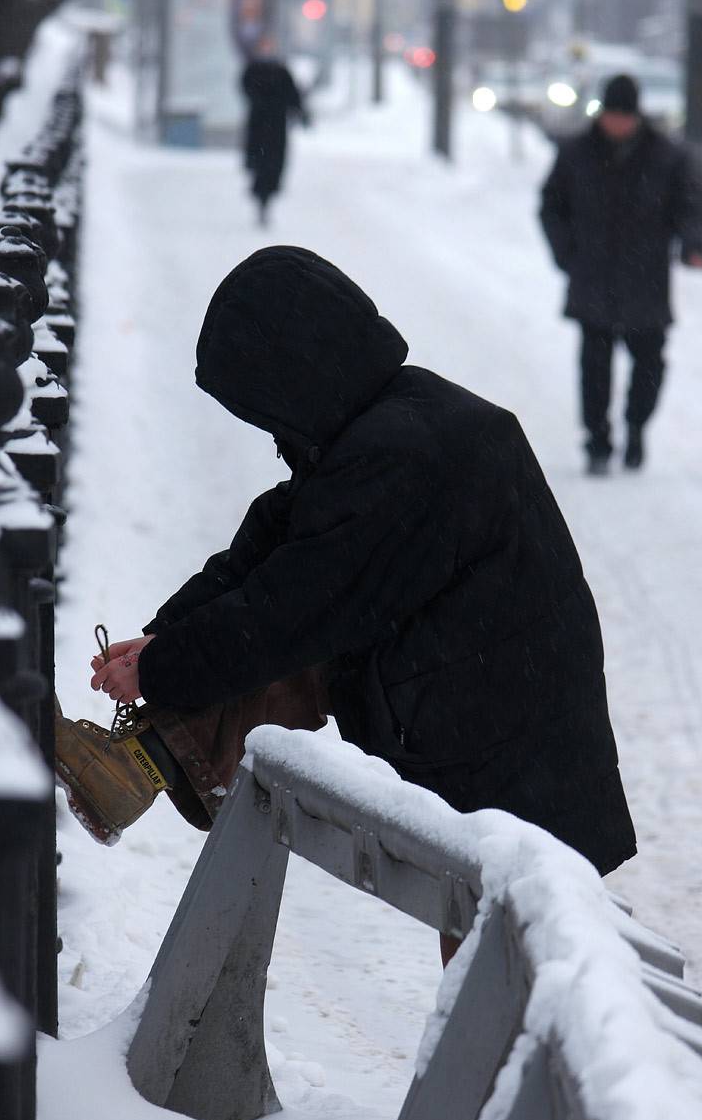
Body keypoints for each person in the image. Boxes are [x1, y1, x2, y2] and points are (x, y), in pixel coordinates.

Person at [57, 247, 636, 959]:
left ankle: (145, 765)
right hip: (495, 727)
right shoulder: (397, 416)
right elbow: (277, 542)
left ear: (293, 376)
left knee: (512, 976)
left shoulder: (400, 455)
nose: (269, 432)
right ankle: (147, 761)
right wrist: (165, 641)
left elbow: (290, 606)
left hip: (511, 760)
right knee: (497, 971)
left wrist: (162, 668)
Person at [539, 73, 702, 475]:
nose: (618, 123)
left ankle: (635, 425)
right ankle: (597, 442)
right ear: (602, 113)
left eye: (625, 116)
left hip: (645, 280)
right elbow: (551, 206)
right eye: (612, 115)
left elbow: (690, 205)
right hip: (593, 277)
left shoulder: (665, 156)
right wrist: (566, 254)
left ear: (636, 115)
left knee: (649, 365)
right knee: (594, 369)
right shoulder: (576, 153)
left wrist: (693, 244)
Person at [241, 39, 308, 226]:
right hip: (259, 125)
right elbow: (246, 89)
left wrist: (300, 112)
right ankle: (261, 199)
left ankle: (266, 199)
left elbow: (293, 95)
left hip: (276, 126)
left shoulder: (281, 71)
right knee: (260, 164)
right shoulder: (253, 70)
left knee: (273, 165)